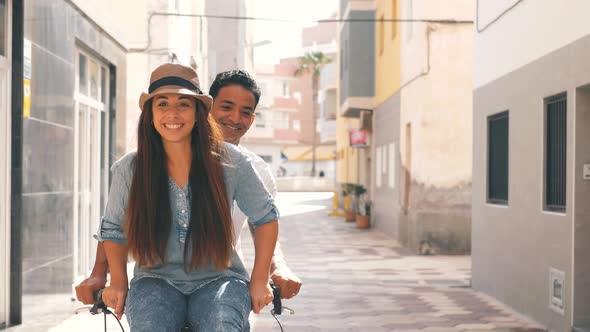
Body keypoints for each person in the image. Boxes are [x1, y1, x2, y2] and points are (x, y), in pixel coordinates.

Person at [75, 70, 302, 306]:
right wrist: (99, 272)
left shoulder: (252, 167)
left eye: (245, 112)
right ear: (208, 110)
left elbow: (264, 221)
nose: (235, 118)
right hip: (157, 281)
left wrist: (276, 269)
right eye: (227, 107)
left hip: (221, 280)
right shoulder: (138, 164)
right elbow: (116, 222)